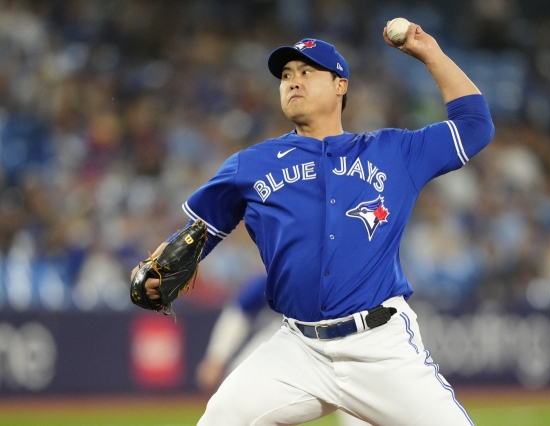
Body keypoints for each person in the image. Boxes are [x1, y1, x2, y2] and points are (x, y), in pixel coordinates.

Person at [132, 21, 494, 425]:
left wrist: (430, 53)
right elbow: (195, 236)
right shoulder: (250, 165)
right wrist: (153, 269)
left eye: (307, 72)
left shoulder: (393, 152)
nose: (293, 82)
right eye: (286, 75)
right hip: (298, 350)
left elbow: (475, 125)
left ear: (340, 85)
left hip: (380, 347)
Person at [195, 275, 370, 426]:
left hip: (337, 344)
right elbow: (238, 313)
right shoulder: (273, 279)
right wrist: (216, 357)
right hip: (285, 338)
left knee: (355, 394)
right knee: (236, 382)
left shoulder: (343, 281)